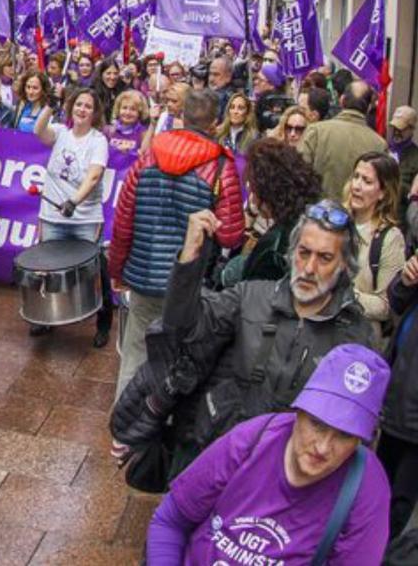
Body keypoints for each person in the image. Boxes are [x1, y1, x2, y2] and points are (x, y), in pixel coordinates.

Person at [155, 202, 375, 471]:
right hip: (220, 458)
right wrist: (189, 259)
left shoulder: (355, 337)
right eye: (303, 253)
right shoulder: (250, 297)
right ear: (292, 252)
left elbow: (359, 425)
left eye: (325, 258)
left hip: (285, 479)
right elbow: (180, 327)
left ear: (344, 266)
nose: (308, 268)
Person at [145, 343, 391, 565]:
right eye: (317, 423)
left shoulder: (366, 488)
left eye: (345, 435)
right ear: (300, 411)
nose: (323, 447)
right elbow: (171, 520)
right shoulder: (252, 439)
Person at [108, 89, 245, 398]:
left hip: (143, 276)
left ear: (182, 115)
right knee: (179, 360)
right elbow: (231, 235)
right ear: (215, 123)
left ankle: (123, 428)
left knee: (134, 355)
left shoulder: (148, 156)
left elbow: (123, 221)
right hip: (188, 284)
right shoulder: (221, 167)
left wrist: (117, 270)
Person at [33, 87, 113, 346]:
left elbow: (94, 175)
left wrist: (74, 201)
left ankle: (103, 322)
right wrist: (50, 104)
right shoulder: (60, 132)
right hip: (53, 217)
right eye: (78, 104)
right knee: (47, 268)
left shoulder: (98, 140)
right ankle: (45, 318)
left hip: (84, 219)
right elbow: (39, 131)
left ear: (95, 112)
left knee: (95, 270)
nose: (82, 109)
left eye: (88, 106)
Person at [221, 139, 317, 286]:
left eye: (253, 187)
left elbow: (250, 292)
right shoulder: (310, 219)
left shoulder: (274, 246)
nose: (252, 196)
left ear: (267, 190)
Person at [342, 151, 405, 346]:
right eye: (356, 177)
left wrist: (342, 294)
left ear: (383, 192)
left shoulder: (390, 238)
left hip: (358, 342)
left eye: (367, 181)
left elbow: (386, 306)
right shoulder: (336, 219)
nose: (357, 186)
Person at [379, 250, 418, 540]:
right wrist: (405, 279)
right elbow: (397, 300)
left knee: (398, 503)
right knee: (374, 487)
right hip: (395, 395)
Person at [300, 79, 388, 203]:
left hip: (318, 214)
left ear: (341, 100)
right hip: (356, 216)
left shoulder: (316, 131)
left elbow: (299, 175)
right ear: (368, 108)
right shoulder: (379, 144)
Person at [106, 89, 150, 158]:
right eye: (124, 108)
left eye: (133, 109)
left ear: (139, 112)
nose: (128, 112)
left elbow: (146, 156)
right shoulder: (109, 130)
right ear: (118, 109)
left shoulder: (144, 133)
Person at [215, 90, 257, 155]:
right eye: (232, 107)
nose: (235, 112)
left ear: (247, 113)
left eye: (240, 108)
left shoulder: (254, 137)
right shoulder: (218, 133)